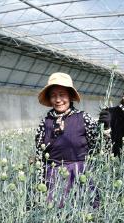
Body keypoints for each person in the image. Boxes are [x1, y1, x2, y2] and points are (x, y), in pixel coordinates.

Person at [35, 72, 99, 208]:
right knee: (56, 217)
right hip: (54, 177)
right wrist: (40, 181)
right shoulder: (45, 122)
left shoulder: (84, 118)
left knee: (83, 212)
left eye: (62, 94)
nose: (58, 100)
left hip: (80, 174)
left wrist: (105, 130)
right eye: (53, 95)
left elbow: (97, 146)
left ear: (70, 96)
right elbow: (39, 154)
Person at [98, 90, 124, 157]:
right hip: (111, 155)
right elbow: (121, 143)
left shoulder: (107, 110)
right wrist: (121, 159)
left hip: (100, 151)